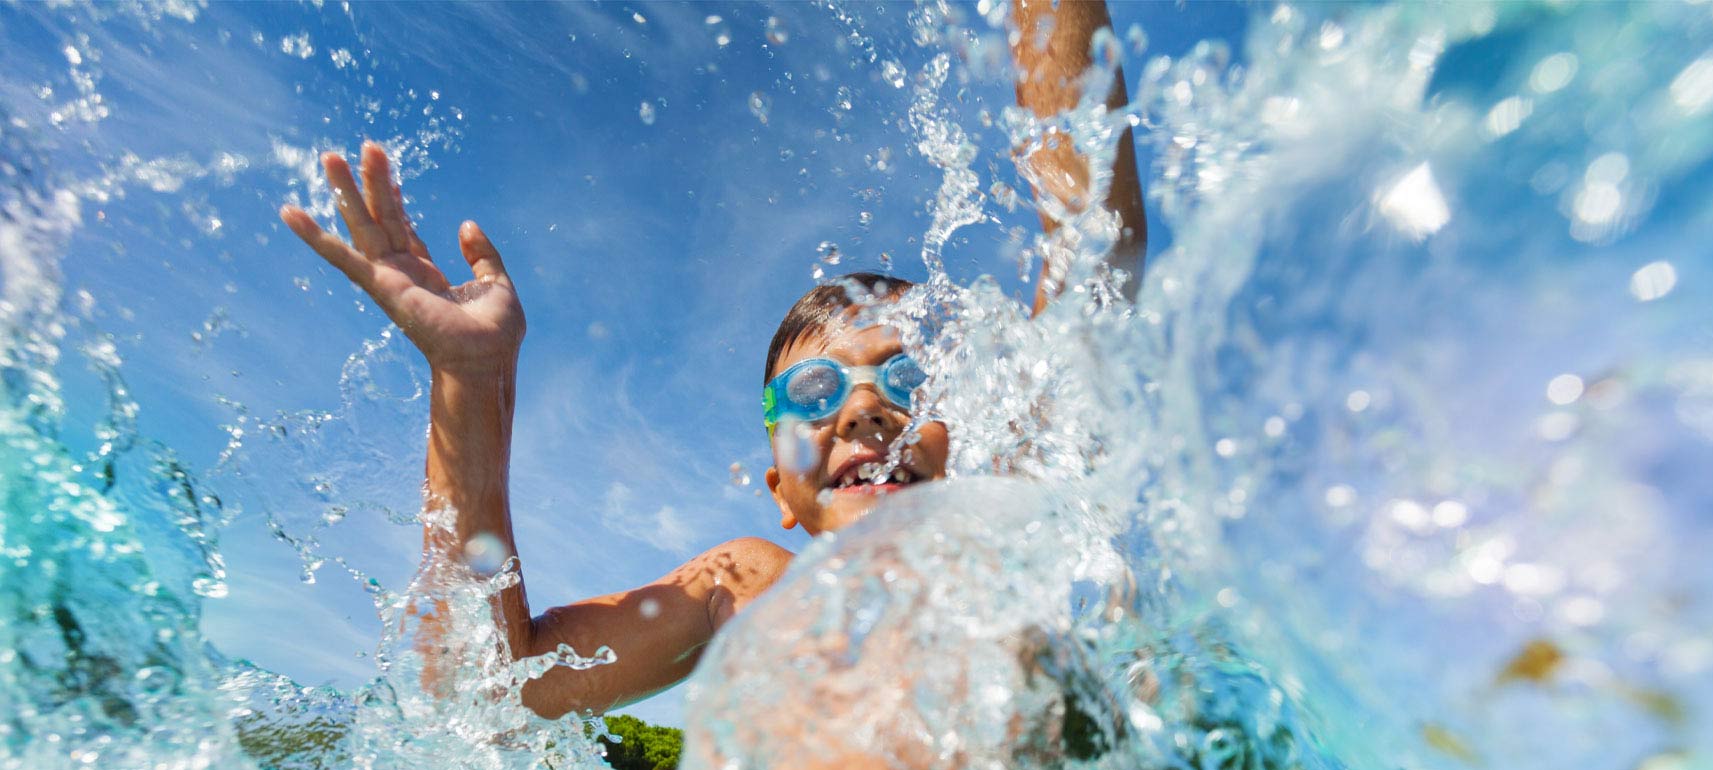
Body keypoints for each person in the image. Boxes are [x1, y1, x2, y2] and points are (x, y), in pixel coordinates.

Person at [277, 0, 1144, 719]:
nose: (867, 409)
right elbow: (490, 687)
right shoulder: (748, 583)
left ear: (967, 433)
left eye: (911, 380)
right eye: (814, 391)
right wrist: (468, 385)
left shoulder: (1023, 544)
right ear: (782, 492)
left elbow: (1092, 252)